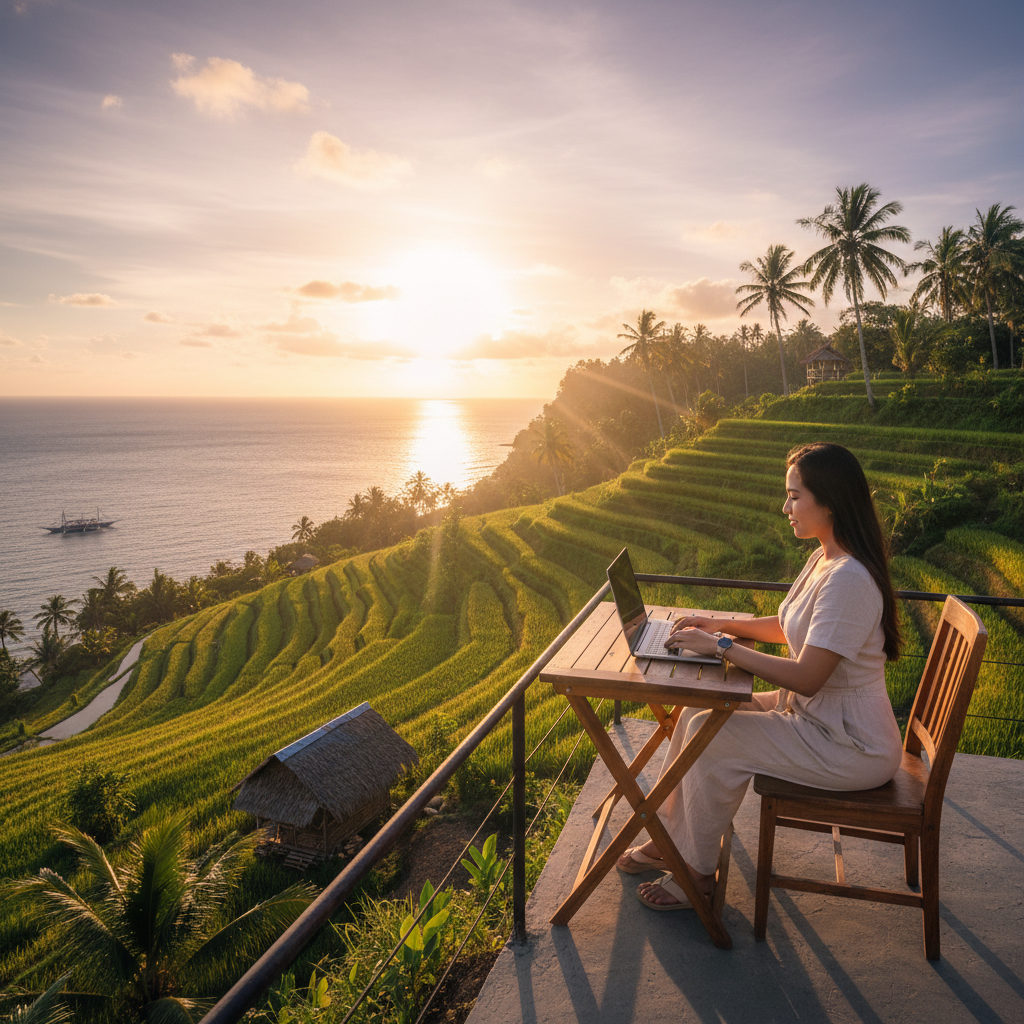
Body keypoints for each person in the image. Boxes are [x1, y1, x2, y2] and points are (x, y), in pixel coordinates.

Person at [617, 441, 903, 910]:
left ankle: (697, 875)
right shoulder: (825, 558)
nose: (784, 506)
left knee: (718, 738)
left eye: (794, 496)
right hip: (816, 718)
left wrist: (721, 648)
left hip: (850, 744)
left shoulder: (848, 578)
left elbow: (808, 675)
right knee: (696, 711)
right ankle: (670, 839)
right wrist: (720, 625)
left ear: (828, 501)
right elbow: (788, 627)